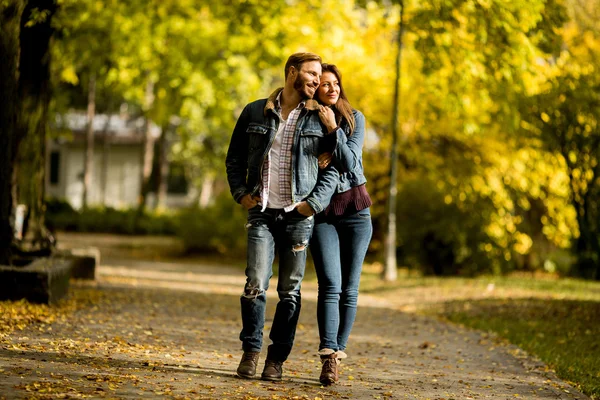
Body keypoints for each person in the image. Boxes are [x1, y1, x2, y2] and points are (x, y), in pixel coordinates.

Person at [225, 52, 338, 381]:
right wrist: (241, 195)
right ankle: (251, 350)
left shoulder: (320, 119)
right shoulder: (254, 111)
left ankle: (276, 360)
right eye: (312, 73)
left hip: (298, 217)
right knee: (255, 284)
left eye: (320, 75)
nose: (317, 81)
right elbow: (233, 158)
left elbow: (331, 170)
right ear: (292, 73)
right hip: (261, 212)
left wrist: (311, 204)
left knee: (290, 291)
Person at [310, 63, 373, 386]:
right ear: (316, 90)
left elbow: (350, 161)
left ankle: (337, 353)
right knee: (329, 285)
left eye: (335, 83)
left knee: (350, 288)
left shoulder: (354, 119)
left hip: (357, 212)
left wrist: (334, 133)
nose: (331, 89)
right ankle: (327, 354)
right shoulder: (308, 121)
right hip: (322, 214)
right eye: (324, 84)